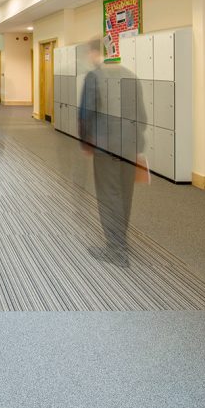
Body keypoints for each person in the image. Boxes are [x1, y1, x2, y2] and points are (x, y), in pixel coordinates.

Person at [79, 37, 146, 268]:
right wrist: (136, 145)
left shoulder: (94, 77)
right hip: (129, 146)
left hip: (106, 146)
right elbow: (142, 116)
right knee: (124, 194)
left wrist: (86, 141)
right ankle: (121, 241)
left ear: (96, 53)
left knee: (109, 195)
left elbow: (86, 113)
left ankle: (116, 250)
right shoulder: (130, 76)